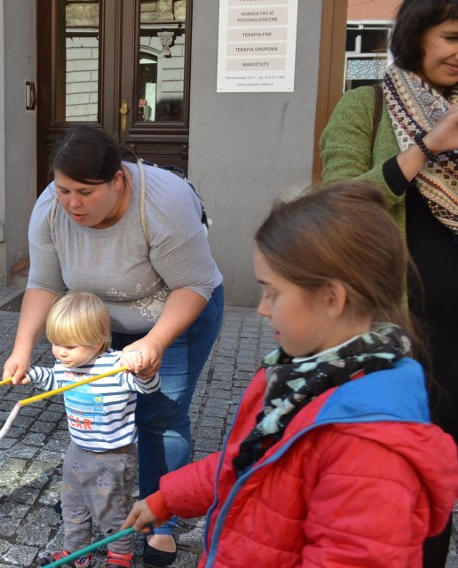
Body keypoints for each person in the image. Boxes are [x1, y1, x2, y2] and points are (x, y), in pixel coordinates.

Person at [122, 182, 458, 567]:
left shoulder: (370, 447)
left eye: (273, 293)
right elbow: (251, 462)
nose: (262, 309)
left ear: (332, 298)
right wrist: (169, 497)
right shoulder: (302, 376)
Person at [3, 125, 224, 567]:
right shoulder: (50, 209)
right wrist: (22, 348)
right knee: (100, 407)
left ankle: (161, 520)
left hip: (175, 310)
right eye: (63, 189)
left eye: (85, 191)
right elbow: (44, 282)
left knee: (160, 416)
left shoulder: (164, 203)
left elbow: (194, 283)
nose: (72, 204)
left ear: (118, 179)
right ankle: (94, 492)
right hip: (97, 322)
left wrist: (155, 342)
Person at [319, 1, 458, 564]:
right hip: (398, 335)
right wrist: (429, 145)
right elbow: (337, 202)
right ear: (416, 36)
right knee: (394, 477)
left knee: (440, 482)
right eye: (451, 36)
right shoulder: (367, 106)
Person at [14, 292, 160, 567]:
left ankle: (120, 556)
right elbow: (54, 379)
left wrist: (144, 372)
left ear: (97, 342)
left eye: (69, 345)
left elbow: (148, 388)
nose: (60, 352)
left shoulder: (117, 367)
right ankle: (77, 553)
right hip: (78, 450)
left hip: (113, 456)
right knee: (73, 506)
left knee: (110, 512)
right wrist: (30, 373)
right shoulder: (67, 364)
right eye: (55, 343)